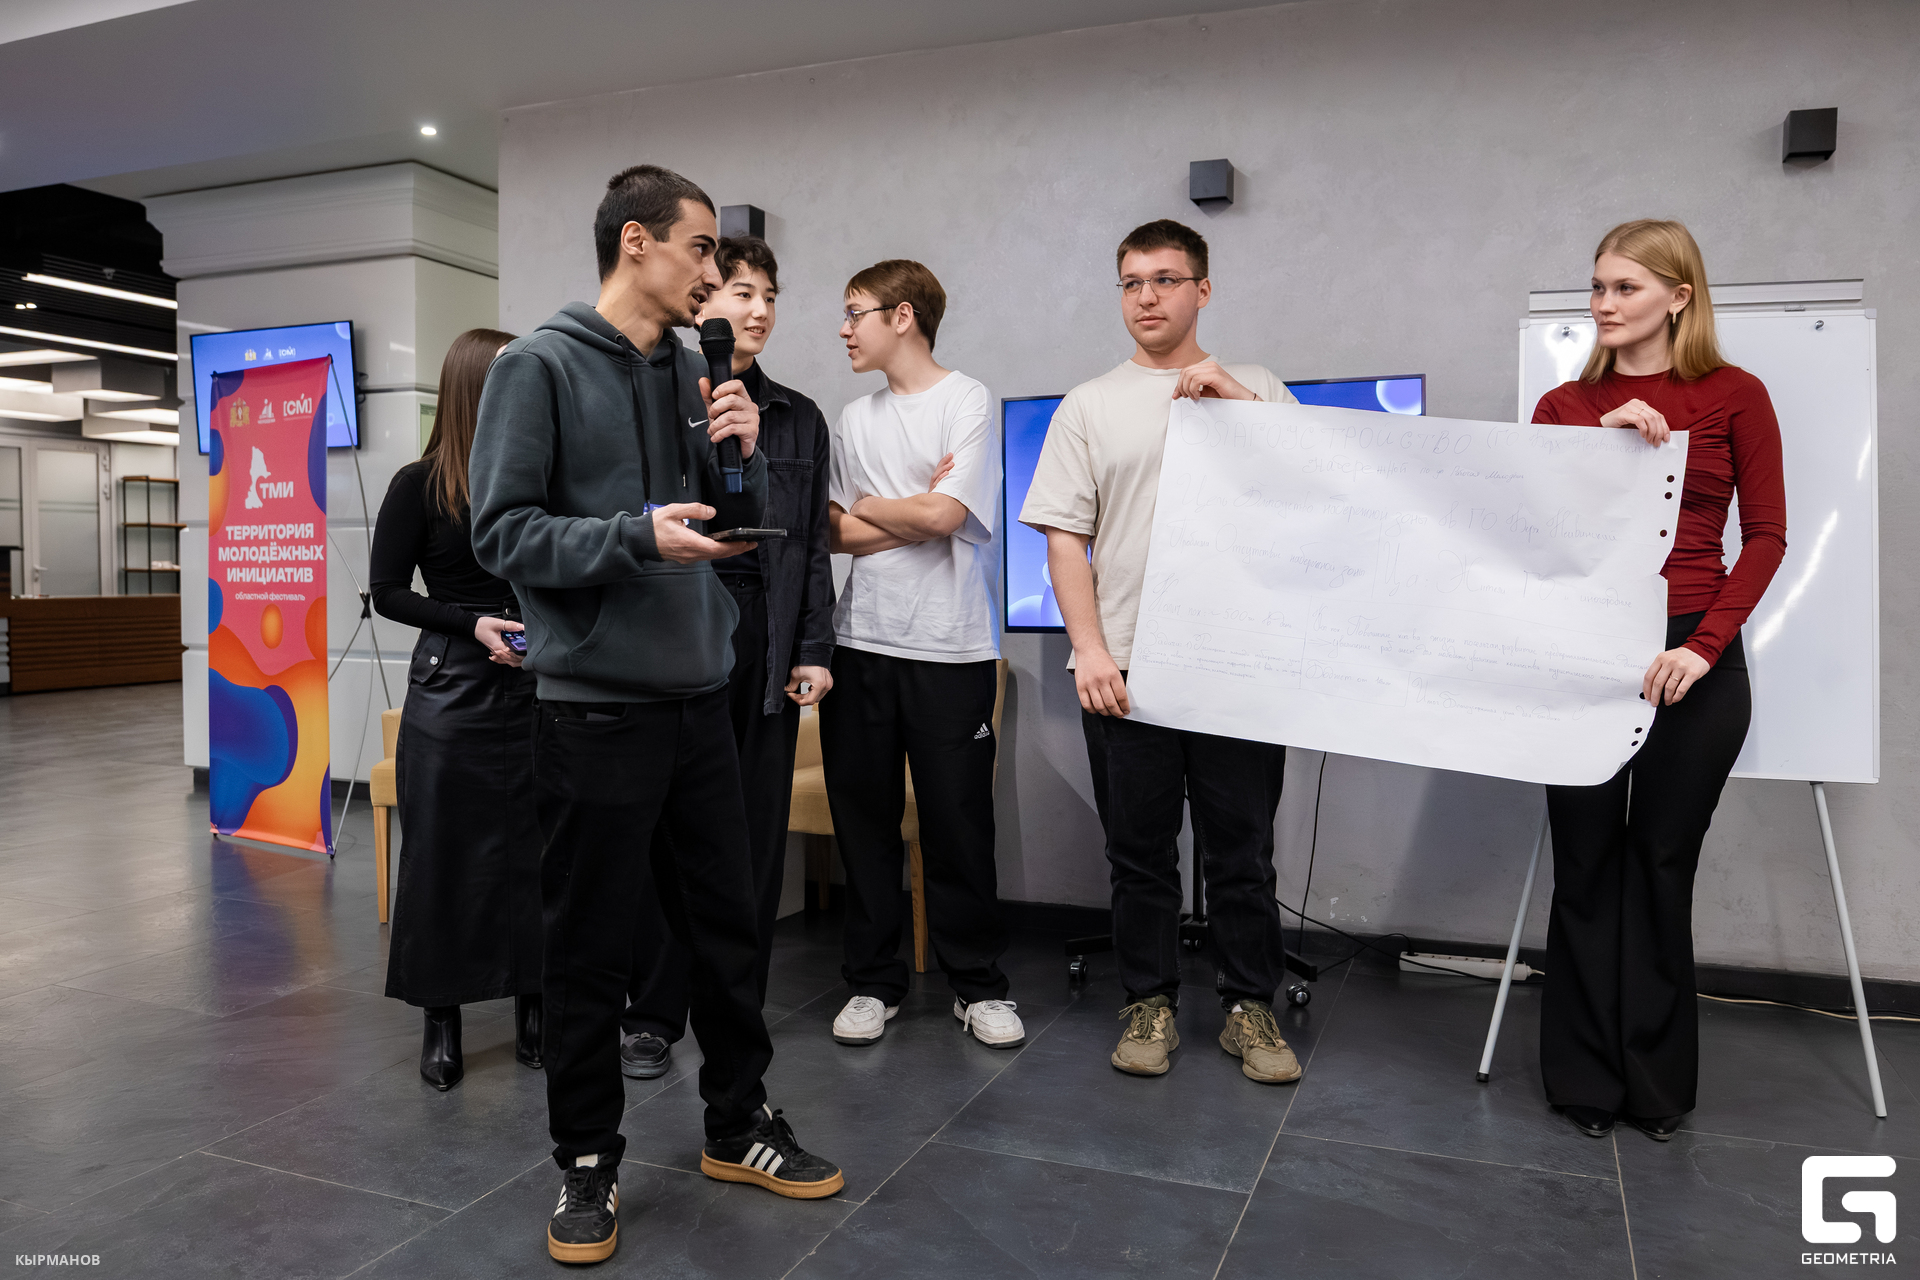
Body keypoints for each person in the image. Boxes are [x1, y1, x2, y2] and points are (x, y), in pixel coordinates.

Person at [469, 165, 843, 1267]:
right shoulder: (536, 367)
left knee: (728, 930)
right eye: (700, 250)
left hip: (698, 695)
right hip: (593, 708)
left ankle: (737, 1121)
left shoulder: (696, 369)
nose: (713, 277)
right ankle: (587, 1158)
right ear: (636, 242)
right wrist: (634, 537)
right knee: (591, 947)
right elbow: (503, 533)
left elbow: (734, 525)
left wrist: (742, 457)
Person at [1020, 219, 1303, 1085]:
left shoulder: (1258, 387)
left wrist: (1239, 404)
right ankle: (1149, 1001)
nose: (1147, 297)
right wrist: (1090, 650)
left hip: (1236, 667)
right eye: (1132, 282)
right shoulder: (1088, 404)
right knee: (1138, 854)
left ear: (1202, 290)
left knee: (1241, 854)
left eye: (1167, 279)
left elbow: (1315, 492)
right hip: (1129, 669)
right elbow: (1065, 538)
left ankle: (1250, 1006)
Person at [1531, 219, 1786, 1143]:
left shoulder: (1736, 395)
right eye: (1597, 287)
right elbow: (1534, 536)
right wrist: (1597, 448)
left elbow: (1767, 537)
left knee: (1661, 867)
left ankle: (1655, 1085)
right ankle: (1583, 1081)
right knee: (1585, 867)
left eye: (1625, 288)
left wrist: (1704, 647)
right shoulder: (1563, 406)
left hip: (1695, 657)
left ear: (1679, 297)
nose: (1603, 304)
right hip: (1588, 654)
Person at [619, 235, 837, 1081]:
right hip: (681, 626)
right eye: (741, 292)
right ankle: (652, 1012)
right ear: (701, 301)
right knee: (667, 832)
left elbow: (810, 544)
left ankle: (735, 1011)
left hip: (766, 632)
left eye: (770, 296)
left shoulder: (799, 416)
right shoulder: (659, 398)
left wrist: (812, 647)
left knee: (750, 837)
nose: (759, 310)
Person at [820, 259, 1023, 1051]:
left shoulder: (967, 399)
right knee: (864, 824)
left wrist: (880, 505)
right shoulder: (853, 417)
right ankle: (874, 984)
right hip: (859, 643)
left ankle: (979, 987)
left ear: (902, 316)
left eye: (855, 313)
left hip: (951, 647)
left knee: (958, 824)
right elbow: (836, 533)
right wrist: (914, 508)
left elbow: (945, 516)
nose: (844, 329)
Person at [370, 326, 539, 1093]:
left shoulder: (539, 475)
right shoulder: (420, 482)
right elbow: (388, 592)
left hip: (537, 678)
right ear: (474, 384)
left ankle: (537, 1008)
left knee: (537, 853)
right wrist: (472, 623)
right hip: (454, 685)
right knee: (441, 857)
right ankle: (442, 1017)